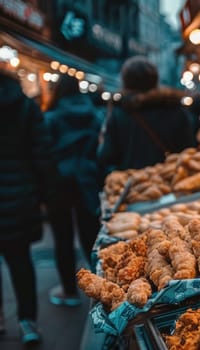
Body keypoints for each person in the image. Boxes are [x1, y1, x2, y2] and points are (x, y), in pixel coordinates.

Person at [0, 67, 57, 344]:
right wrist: (47, 195)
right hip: (19, 194)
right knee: (21, 260)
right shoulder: (24, 107)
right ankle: (28, 322)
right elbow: (42, 153)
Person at [44, 74, 103, 306]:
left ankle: (69, 291)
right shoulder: (94, 115)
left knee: (62, 237)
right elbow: (100, 149)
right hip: (87, 179)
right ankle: (98, 286)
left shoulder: (51, 118)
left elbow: (44, 152)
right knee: (91, 235)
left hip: (59, 182)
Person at [97, 56, 196, 175]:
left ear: (125, 81)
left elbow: (106, 156)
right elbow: (189, 149)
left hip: (135, 185)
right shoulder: (175, 107)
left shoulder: (119, 113)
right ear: (155, 80)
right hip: (173, 179)